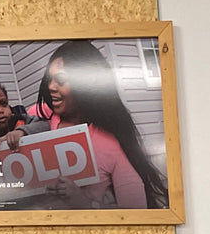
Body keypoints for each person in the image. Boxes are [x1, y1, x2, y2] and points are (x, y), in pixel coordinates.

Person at [28, 40, 168, 210]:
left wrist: (84, 203)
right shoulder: (43, 113)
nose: (51, 86)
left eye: (61, 80)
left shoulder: (109, 145)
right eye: (49, 79)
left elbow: (135, 211)